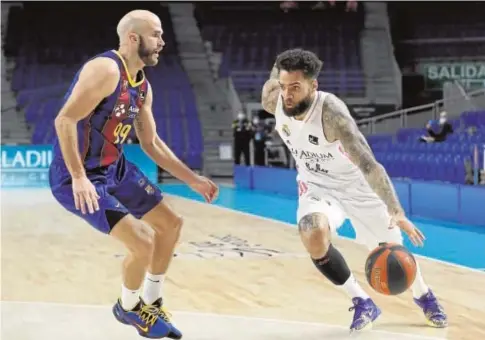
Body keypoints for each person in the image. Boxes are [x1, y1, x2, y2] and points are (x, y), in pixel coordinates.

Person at [49, 10, 218, 339]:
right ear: (132, 38)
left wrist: (192, 179)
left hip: (115, 167)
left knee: (171, 225)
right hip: (78, 177)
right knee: (143, 241)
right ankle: (127, 307)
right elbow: (64, 121)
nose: (162, 42)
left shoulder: (142, 87)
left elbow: (151, 143)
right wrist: (80, 177)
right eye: (156, 34)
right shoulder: (105, 70)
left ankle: (151, 301)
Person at [260, 49, 447, 332]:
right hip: (316, 185)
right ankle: (362, 301)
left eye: (295, 88)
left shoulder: (332, 115)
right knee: (312, 231)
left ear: (314, 86)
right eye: (284, 86)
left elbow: (370, 166)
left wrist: (396, 211)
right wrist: (279, 65)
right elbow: (276, 80)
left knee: (391, 251)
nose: (287, 95)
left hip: (357, 187)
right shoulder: (275, 100)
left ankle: (423, 295)